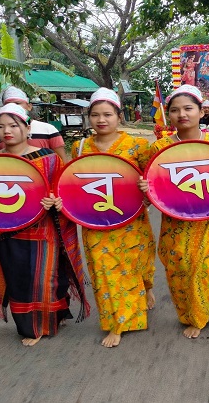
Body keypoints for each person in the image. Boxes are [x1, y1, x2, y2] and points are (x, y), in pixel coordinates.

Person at [0, 103, 89, 347]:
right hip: (6, 232)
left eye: (13, 125)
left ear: (27, 129)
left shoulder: (48, 160)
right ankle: (29, 324)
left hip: (43, 228)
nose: (7, 131)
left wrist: (56, 202)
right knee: (17, 278)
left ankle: (47, 320)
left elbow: (65, 193)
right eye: (1, 126)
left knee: (44, 276)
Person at [139, 84, 209, 339]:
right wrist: (146, 188)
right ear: (169, 115)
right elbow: (155, 188)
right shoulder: (159, 149)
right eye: (175, 110)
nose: (182, 114)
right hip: (176, 221)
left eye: (188, 108)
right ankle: (192, 314)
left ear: (201, 112)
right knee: (182, 268)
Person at [71, 88, 156, 348]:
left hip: (130, 217)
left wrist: (146, 191)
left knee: (135, 263)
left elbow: (153, 181)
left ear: (119, 116)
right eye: (95, 115)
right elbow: (73, 181)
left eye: (107, 114)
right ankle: (118, 321)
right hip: (95, 220)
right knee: (104, 269)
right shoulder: (80, 146)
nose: (101, 120)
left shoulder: (138, 145)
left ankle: (147, 288)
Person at [0, 86, 68, 164]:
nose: (6, 131)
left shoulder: (48, 130)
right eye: (0, 126)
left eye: (17, 103)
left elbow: (62, 163)